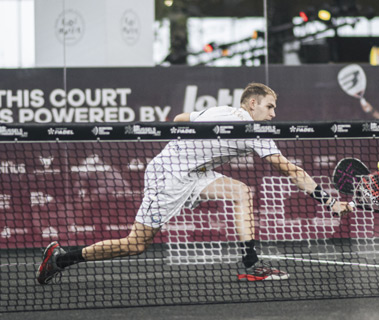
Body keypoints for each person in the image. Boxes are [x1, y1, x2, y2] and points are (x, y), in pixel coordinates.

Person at [37, 83, 353, 284]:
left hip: (194, 172)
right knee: (135, 245)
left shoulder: (219, 110)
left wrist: (194, 149)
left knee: (242, 192)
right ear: (252, 104)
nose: (274, 113)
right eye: (269, 106)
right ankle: (61, 259)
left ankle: (250, 264)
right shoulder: (253, 129)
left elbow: (179, 119)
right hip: (169, 176)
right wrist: (330, 202)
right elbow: (292, 171)